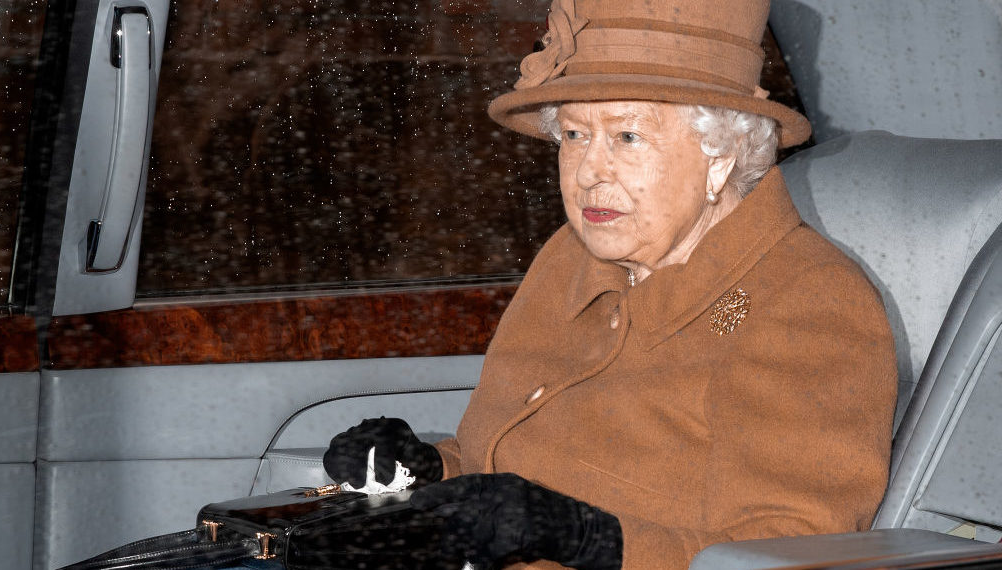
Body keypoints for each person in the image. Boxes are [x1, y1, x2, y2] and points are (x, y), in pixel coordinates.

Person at [323, 0, 897, 568]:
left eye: (627, 137)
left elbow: (786, 551)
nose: (589, 171)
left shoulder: (806, 302)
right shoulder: (569, 259)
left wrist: (585, 539)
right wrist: (426, 469)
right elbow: (509, 476)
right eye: (575, 135)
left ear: (720, 157)